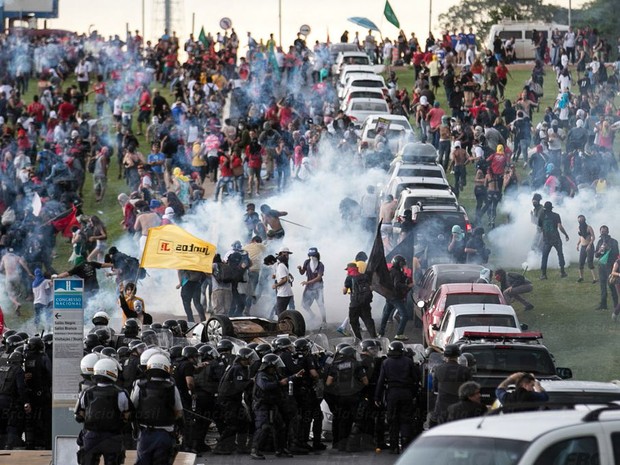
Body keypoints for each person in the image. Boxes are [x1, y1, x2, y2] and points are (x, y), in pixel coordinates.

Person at [74, 358, 131, 465]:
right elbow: (128, 414)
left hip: (91, 436)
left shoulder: (86, 392)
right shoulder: (121, 393)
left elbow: (78, 416)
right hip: (113, 437)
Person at [131, 353, 184, 465]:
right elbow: (179, 412)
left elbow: (132, 407)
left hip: (145, 432)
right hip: (165, 432)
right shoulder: (171, 387)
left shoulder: (140, 386)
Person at [374, 340, 421, 454]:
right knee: (406, 419)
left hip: (392, 394)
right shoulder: (408, 361)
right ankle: (405, 445)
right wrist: (413, 394)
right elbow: (416, 379)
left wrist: (377, 397)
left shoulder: (386, 363)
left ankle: (394, 447)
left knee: (392, 420)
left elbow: (380, 381)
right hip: (406, 393)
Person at [250, 354, 294, 459]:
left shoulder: (274, 374)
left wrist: (294, 377)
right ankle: (255, 450)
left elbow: (282, 381)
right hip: (262, 405)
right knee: (263, 427)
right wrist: (279, 383)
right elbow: (265, 386)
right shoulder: (261, 375)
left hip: (272, 404)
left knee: (280, 426)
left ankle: (280, 449)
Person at [325, 345, 368, 451]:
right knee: (355, 420)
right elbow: (365, 381)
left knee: (342, 420)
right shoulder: (357, 364)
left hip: (340, 397)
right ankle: (353, 445)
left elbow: (328, 382)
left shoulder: (335, 365)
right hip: (354, 396)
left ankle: (341, 444)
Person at [430, 344, 472, 426]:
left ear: (445, 355)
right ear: (458, 355)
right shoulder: (465, 370)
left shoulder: (438, 369)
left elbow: (435, 388)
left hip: (441, 407)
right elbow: (470, 389)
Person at [378, 255, 414, 341]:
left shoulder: (391, 271)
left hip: (389, 296)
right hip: (395, 297)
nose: (403, 266)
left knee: (386, 314)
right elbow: (397, 284)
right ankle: (399, 333)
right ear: (398, 263)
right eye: (402, 264)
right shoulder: (396, 272)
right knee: (405, 315)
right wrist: (407, 286)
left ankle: (380, 332)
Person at [0, 351, 30, 449]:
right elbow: (20, 388)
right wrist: (25, 402)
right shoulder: (18, 370)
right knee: (12, 424)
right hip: (10, 401)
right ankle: (9, 446)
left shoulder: (1, 369)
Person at [342, 262, 377, 340]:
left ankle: (358, 339)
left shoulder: (349, 278)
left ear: (349, 270)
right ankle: (374, 337)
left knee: (354, 322)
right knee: (368, 320)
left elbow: (344, 292)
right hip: (365, 303)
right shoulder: (365, 276)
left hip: (355, 304)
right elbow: (371, 288)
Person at [538, 201, 569, 280]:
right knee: (560, 254)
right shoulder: (556, 215)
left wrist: (545, 233)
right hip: (556, 238)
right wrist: (566, 234)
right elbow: (560, 227)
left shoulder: (541, 215)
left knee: (544, 257)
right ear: (551, 208)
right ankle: (562, 272)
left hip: (547, 239)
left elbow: (540, 228)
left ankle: (543, 275)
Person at [297, 247, 326, 324]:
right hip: (309, 288)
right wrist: (300, 269)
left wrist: (308, 282)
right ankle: (312, 315)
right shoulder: (307, 262)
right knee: (304, 304)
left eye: (314, 256)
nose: (312, 257)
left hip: (318, 287)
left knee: (320, 304)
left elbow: (319, 277)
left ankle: (324, 321)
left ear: (317, 256)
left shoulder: (320, 265)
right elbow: (302, 272)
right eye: (311, 256)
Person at [594, 225, 619, 311]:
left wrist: (608, 248)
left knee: (612, 285)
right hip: (601, 266)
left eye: (604, 231)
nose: (603, 233)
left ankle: (616, 305)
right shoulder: (599, 242)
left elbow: (616, 254)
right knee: (602, 285)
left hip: (610, 266)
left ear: (608, 232)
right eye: (601, 231)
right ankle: (603, 304)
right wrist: (599, 251)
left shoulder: (613, 241)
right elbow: (596, 255)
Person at [273, 247, 294, 315]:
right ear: (281, 253)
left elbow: (284, 274)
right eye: (286, 253)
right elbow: (276, 275)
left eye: (288, 253)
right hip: (281, 285)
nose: (287, 255)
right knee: (280, 304)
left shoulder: (284, 262)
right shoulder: (278, 263)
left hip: (284, 286)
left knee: (282, 305)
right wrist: (277, 284)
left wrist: (289, 274)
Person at [577, 215, 597, 283]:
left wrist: (589, 245)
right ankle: (581, 277)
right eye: (579, 220)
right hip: (582, 247)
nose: (580, 222)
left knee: (590, 262)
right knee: (580, 263)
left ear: (584, 220)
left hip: (589, 247)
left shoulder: (589, 227)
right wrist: (578, 244)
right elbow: (581, 237)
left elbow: (593, 237)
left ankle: (595, 279)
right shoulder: (579, 228)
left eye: (581, 220)